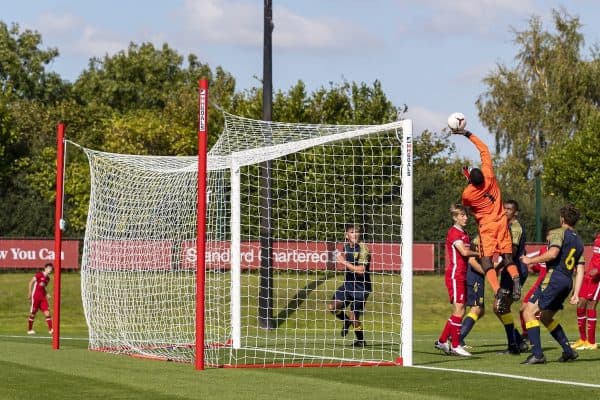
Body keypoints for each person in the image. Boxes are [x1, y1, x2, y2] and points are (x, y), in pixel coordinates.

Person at [453, 129, 521, 312]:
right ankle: (516, 278)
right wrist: (467, 133)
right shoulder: (489, 174)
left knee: (486, 261)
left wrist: (468, 179)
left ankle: (497, 290)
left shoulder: (467, 194)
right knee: (507, 258)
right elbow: (483, 149)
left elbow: (470, 203)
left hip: (487, 227)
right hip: (502, 223)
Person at [519, 204, 585, 364]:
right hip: (567, 281)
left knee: (528, 311)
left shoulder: (558, 232)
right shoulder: (579, 241)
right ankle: (568, 352)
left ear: (562, 218)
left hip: (554, 277)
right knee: (546, 317)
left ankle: (537, 354)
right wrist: (576, 293)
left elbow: (553, 253)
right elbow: (581, 269)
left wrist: (530, 260)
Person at [435, 204, 480, 356]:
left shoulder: (464, 233)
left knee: (460, 310)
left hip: (462, 274)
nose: (466, 217)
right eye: (462, 215)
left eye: (466, 215)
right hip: (455, 275)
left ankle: (442, 341)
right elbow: (464, 252)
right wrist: (481, 254)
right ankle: (455, 345)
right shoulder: (454, 233)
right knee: (460, 310)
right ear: (455, 217)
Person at [327, 224, 371, 347]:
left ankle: (361, 340)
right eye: (352, 232)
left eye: (357, 232)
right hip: (347, 286)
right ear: (347, 236)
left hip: (361, 288)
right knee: (332, 307)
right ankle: (345, 321)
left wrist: (343, 262)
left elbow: (361, 270)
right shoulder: (345, 246)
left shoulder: (364, 249)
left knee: (354, 317)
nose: (355, 234)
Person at [495, 200, 529, 354]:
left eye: (509, 209)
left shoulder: (515, 228)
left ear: (516, 212)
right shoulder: (506, 226)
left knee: (501, 307)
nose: (506, 211)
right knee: (499, 308)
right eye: (504, 209)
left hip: (515, 270)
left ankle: (514, 345)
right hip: (508, 270)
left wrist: (496, 261)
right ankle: (517, 343)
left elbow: (512, 252)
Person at [570, 232, 600, 350]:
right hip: (589, 275)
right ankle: (583, 339)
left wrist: (598, 269)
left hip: (598, 278)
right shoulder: (597, 238)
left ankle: (591, 342)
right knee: (581, 302)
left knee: (591, 305)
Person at [459, 235, 486, 348]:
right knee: (476, 309)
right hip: (474, 279)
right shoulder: (480, 238)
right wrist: (488, 272)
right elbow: (472, 260)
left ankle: (457, 336)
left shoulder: (485, 237)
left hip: (477, 279)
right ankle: (458, 338)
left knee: (481, 310)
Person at [27, 263, 54, 335]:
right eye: (49, 268)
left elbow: (43, 287)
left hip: (43, 298)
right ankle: (29, 330)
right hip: (35, 297)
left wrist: (46, 293)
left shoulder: (48, 278)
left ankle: (51, 329)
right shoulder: (39, 275)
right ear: (45, 268)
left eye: (51, 269)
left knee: (47, 313)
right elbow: (30, 282)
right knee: (33, 314)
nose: (50, 270)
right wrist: (29, 292)